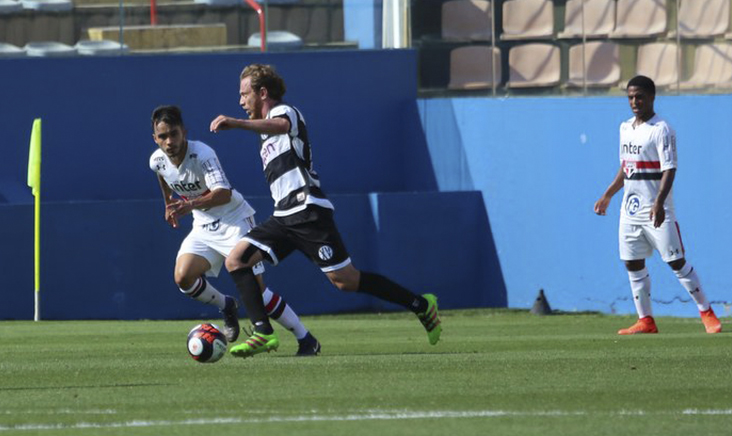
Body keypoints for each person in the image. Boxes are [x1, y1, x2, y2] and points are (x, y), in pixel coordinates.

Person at [208, 64, 442, 358]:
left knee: (346, 281)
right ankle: (263, 332)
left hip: (308, 211)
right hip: (283, 215)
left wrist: (236, 123)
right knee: (236, 261)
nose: (241, 101)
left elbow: (280, 126)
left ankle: (422, 305)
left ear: (262, 92)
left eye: (244, 94)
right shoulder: (263, 134)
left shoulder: (285, 113)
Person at [149, 105, 321, 356]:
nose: (169, 141)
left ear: (184, 132)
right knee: (183, 277)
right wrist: (168, 204)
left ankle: (306, 339)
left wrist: (189, 204)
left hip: (234, 220)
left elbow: (223, 193)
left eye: (173, 134)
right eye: (162, 136)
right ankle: (227, 305)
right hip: (203, 225)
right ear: (155, 138)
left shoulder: (202, 153)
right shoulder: (156, 160)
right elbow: (162, 174)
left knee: (257, 291)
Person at [594, 75, 722, 335]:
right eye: (630, 97)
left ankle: (706, 312)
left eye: (639, 96)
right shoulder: (625, 128)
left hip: (657, 209)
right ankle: (646, 320)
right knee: (632, 262)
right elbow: (627, 168)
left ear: (652, 97)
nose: (634, 101)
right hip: (630, 210)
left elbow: (669, 168)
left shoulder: (662, 129)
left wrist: (660, 203)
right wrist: (608, 194)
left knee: (676, 262)